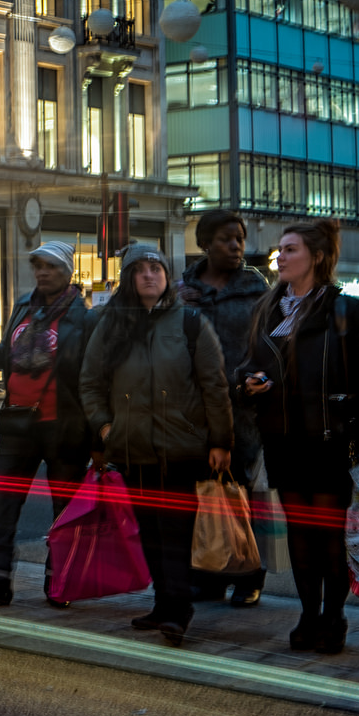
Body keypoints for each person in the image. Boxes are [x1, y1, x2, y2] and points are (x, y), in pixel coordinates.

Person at [236, 220, 359, 654]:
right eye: (279, 250)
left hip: (331, 440)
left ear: (317, 257)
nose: (280, 257)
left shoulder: (348, 313)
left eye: (290, 250)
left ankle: (333, 616)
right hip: (283, 439)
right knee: (300, 533)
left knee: (329, 535)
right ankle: (309, 614)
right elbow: (244, 365)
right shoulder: (267, 309)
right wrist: (247, 383)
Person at [80, 245, 235, 646]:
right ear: (129, 277)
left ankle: (179, 609)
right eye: (141, 269)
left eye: (157, 268)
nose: (150, 275)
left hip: (180, 448)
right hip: (132, 448)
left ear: (168, 275)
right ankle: (163, 605)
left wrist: (221, 440)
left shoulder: (190, 322)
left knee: (176, 531)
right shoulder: (111, 324)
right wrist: (104, 428)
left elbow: (214, 386)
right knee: (149, 530)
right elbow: (91, 382)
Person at [0, 240, 99, 606]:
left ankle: (60, 583)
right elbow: (7, 355)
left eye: (52, 266)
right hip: (19, 421)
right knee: (1, 500)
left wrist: (98, 432)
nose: (43, 272)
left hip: (65, 424)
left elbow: (93, 374)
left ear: (67, 272)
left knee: (64, 510)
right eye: (38, 265)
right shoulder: (23, 307)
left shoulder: (84, 317)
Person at [179, 208, 271, 607]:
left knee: (244, 493)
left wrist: (256, 379)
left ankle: (250, 574)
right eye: (225, 239)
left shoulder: (257, 288)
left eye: (240, 239)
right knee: (203, 493)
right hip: (194, 408)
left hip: (244, 408)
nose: (235, 246)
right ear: (203, 243)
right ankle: (209, 573)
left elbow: (271, 345)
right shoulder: (184, 288)